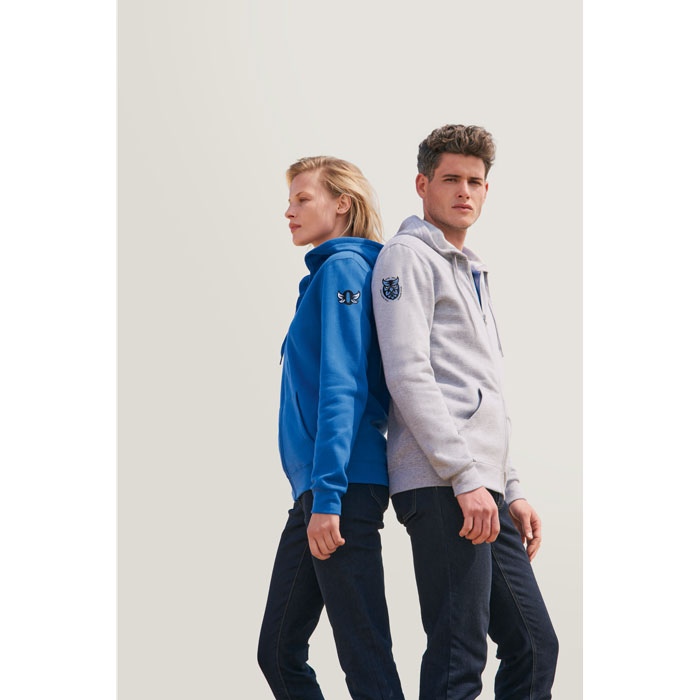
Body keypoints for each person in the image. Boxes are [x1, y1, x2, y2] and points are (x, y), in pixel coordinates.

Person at [372, 125, 559, 700]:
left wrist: (509, 485)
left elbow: (482, 391)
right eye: (451, 179)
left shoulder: (470, 267)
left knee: (534, 644)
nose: (464, 191)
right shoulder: (406, 258)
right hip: (441, 483)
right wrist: (464, 476)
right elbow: (408, 373)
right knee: (459, 653)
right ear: (422, 184)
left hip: (479, 485)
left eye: (475, 182)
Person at [257, 156, 405, 700]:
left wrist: (328, 496)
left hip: (340, 487)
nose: (289, 211)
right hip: (319, 489)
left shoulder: (344, 269)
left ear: (342, 203)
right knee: (278, 651)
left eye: (303, 199)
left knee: (365, 658)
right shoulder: (326, 276)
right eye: (290, 201)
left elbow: (343, 385)